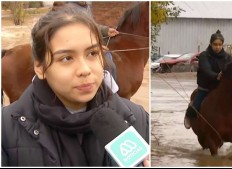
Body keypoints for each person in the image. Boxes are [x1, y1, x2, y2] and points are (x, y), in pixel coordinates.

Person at [2, 7, 149, 166]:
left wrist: (106, 30)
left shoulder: (139, 119)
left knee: (110, 63)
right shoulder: (5, 130)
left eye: (92, 53)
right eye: (66, 58)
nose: (85, 70)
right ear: (40, 67)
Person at [184, 30, 232, 129]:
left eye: (220, 44)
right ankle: (188, 115)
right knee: (196, 105)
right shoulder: (204, 56)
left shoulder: (228, 57)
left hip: (221, 89)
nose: (217, 47)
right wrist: (217, 76)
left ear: (222, 44)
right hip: (205, 88)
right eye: (215, 44)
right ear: (211, 44)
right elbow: (206, 70)